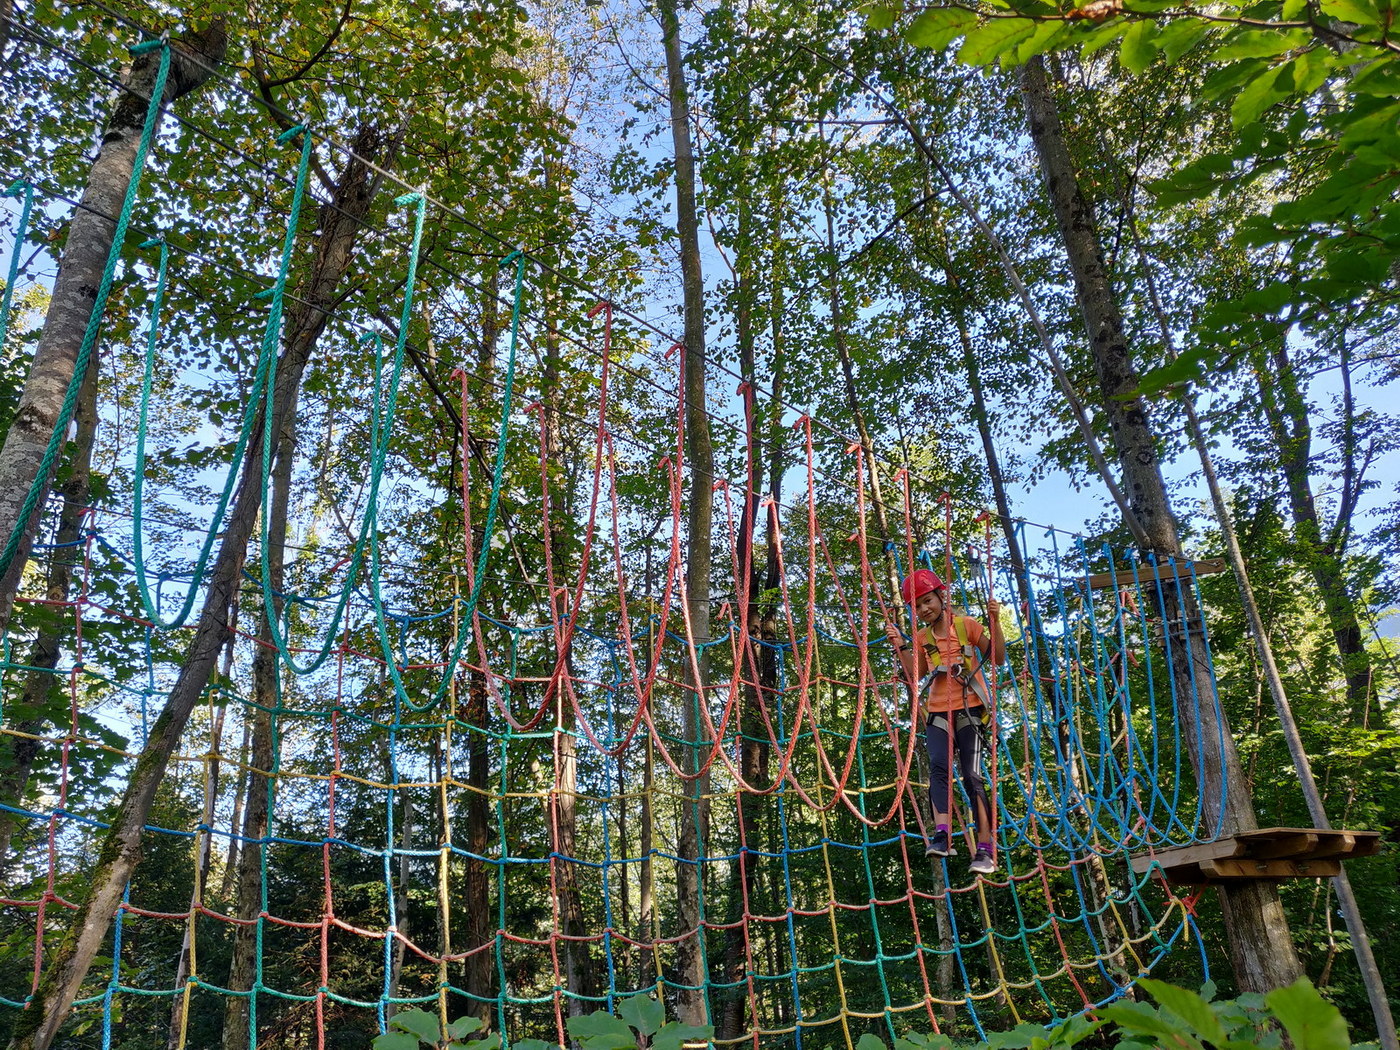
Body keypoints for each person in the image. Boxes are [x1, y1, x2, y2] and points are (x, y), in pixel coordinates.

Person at [885, 568, 1005, 875]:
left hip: (969, 707)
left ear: (941, 597)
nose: (924, 609)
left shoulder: (966, 626)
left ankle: (985, 847)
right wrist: (901, 646)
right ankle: (942, 835)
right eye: (918, 606)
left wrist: (995, 622)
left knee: (972, 775)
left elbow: (997, 658)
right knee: (938, 767)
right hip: (937, 711)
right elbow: (915, 674)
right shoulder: (922, 638)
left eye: (928, 601)